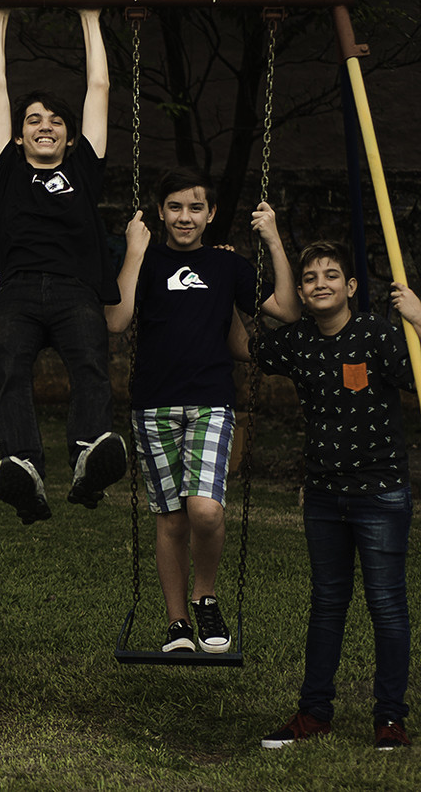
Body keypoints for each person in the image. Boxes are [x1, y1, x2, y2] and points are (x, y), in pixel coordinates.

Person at [106, 169, 300, 654]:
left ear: (211, 213)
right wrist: (133, 251)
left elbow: (287, 309)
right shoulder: (144, 261)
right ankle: (177, 624)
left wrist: (273, 238)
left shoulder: (226, 268)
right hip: (153, 404)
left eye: (196, 208)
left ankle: (205, 597)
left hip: (212, 401)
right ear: (160, 213)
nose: (185, 217)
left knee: (206, 510)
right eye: (175, 207)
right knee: (171, 520)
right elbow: (117, 319)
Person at [256, 243, 417, 751]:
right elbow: (249, 347)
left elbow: (418, 377)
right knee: (327, 604)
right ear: (300, 292)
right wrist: (224, 283)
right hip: (325, 496)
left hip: (380, 493)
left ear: (350, 287)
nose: (319, 283)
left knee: (387, 606)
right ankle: (314, 713)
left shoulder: (379, 334)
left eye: (331, 275)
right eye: (309, 278)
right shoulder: (298, 340)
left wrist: (420, 317)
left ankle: (390, 718)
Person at [0, 7, 126, 523]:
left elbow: (100, 86)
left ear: (69, 136)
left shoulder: (86, 169)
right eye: (35, 120)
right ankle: (24, 465)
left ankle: (89, 455)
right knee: (10, 370)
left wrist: (90, 16)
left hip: (75, 292)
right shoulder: (7, 170)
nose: (46, 127)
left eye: (57, 121)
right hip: (18, 292)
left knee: (90, 367)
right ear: (19, 136)